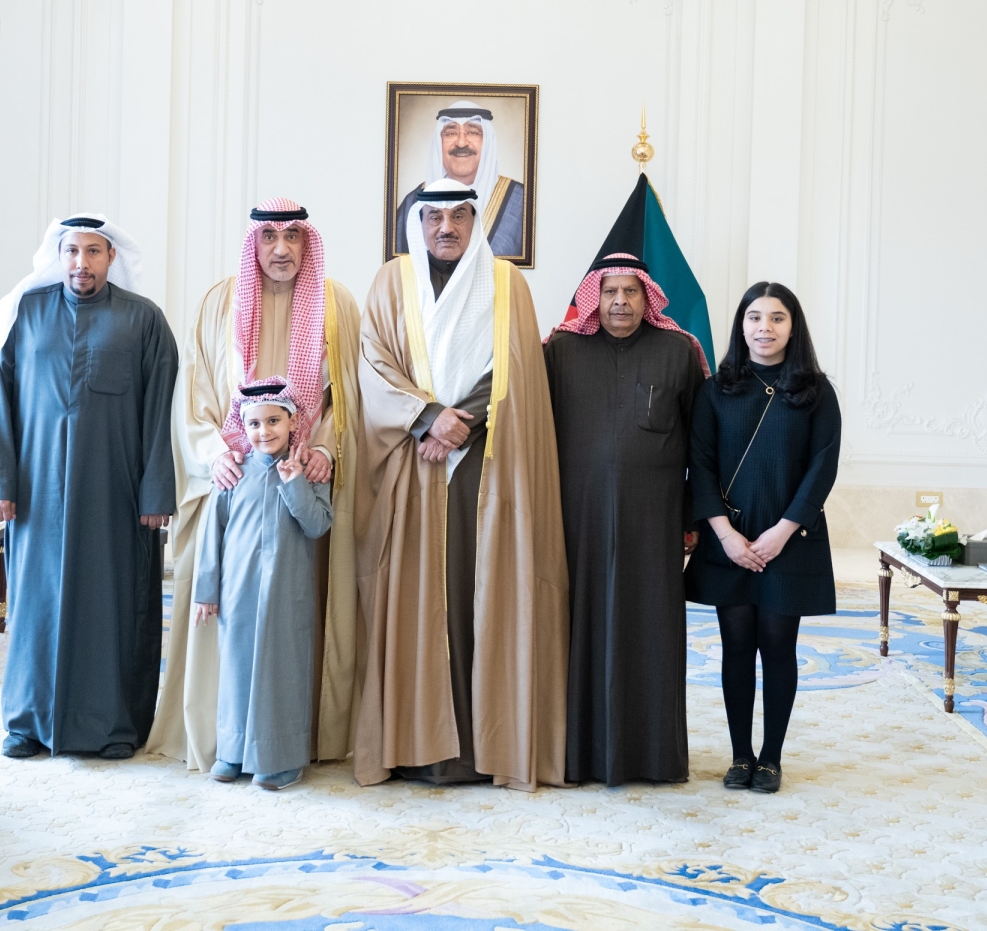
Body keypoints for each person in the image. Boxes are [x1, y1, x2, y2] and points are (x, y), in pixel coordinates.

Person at [355, 178, 569, 790]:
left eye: (458, 217)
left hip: (486, 460)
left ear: (476, 223)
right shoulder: (391, 280)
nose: (445, 228)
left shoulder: (507, 283)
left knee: (485, 594)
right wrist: (426, 417)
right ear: (418, 224)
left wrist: (459, 423)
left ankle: (484, 746)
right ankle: (417, 745)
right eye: (434, 218)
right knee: (418, 599)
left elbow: (518, 365)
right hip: (413, 459)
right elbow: (373, 362)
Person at [147, 199, 361, 774]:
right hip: (232, 483)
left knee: (292, 628)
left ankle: (287, 744)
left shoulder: (338, 304)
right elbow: (194, 392)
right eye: (268, 236)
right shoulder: (220, 301)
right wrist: (214, 454)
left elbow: (347, 395)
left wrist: (323, 450)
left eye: (292, 235)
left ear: (307, 241)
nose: (281, 248)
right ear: (254, 243)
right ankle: (227, 742)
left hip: (303, 484)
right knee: (229, 625)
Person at [0, 213, 178, 760]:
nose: (81, 263)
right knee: (35, 607)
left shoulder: (144, 320)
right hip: (37, 496)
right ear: (57, 256)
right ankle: (27, 724)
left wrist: (156, 493)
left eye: (93, 252)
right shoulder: (23, 315)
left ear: (111, 258)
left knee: (113, 606)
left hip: (117, 496)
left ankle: (113, 726)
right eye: (71, 251)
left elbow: (161, 413)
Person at [544, 253, 708, 787]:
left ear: (647, 298)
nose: (620, 302)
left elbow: (703, 443)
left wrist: (690, 517)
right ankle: (578, 756)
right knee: (579, 631)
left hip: (653, 524)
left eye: (630, 292)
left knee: (650, 633)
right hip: (577, 522)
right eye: (610, 291)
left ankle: (653, 758)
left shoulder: (678, 352)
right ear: (594, 297)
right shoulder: (561, 351)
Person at [684, 281, 841, 794]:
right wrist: (726, 535)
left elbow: (822, 468)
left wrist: (783, 531)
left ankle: (770, 758)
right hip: (728, 540)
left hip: (789, 541)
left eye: (777, 318)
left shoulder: (817, 391)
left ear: (793, 327)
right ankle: (740, 756)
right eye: (754, 317)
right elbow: (700, 465)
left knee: (777, 646)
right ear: (741, 325)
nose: (764, 328)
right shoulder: (716, 389)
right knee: (735, 646)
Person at [193, 379, 334, 791]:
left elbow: (317, 526)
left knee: (281, 671)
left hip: (288, 594)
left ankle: (280, 758)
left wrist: (294, 484)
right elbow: (212, 534)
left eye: (274, 421)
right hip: (238, 592)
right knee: (237, 670)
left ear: (292, 423)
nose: (264, 431)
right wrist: (207, 592)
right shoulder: (234, 472)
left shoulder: (309, 472)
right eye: (254, 424)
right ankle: (233, 751)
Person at [394, 101, 524, 257]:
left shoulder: (521, 202)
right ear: (439, 142)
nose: (461, 143)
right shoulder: (413, 203)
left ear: (487, 141)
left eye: (473, 132)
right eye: (450, 133)